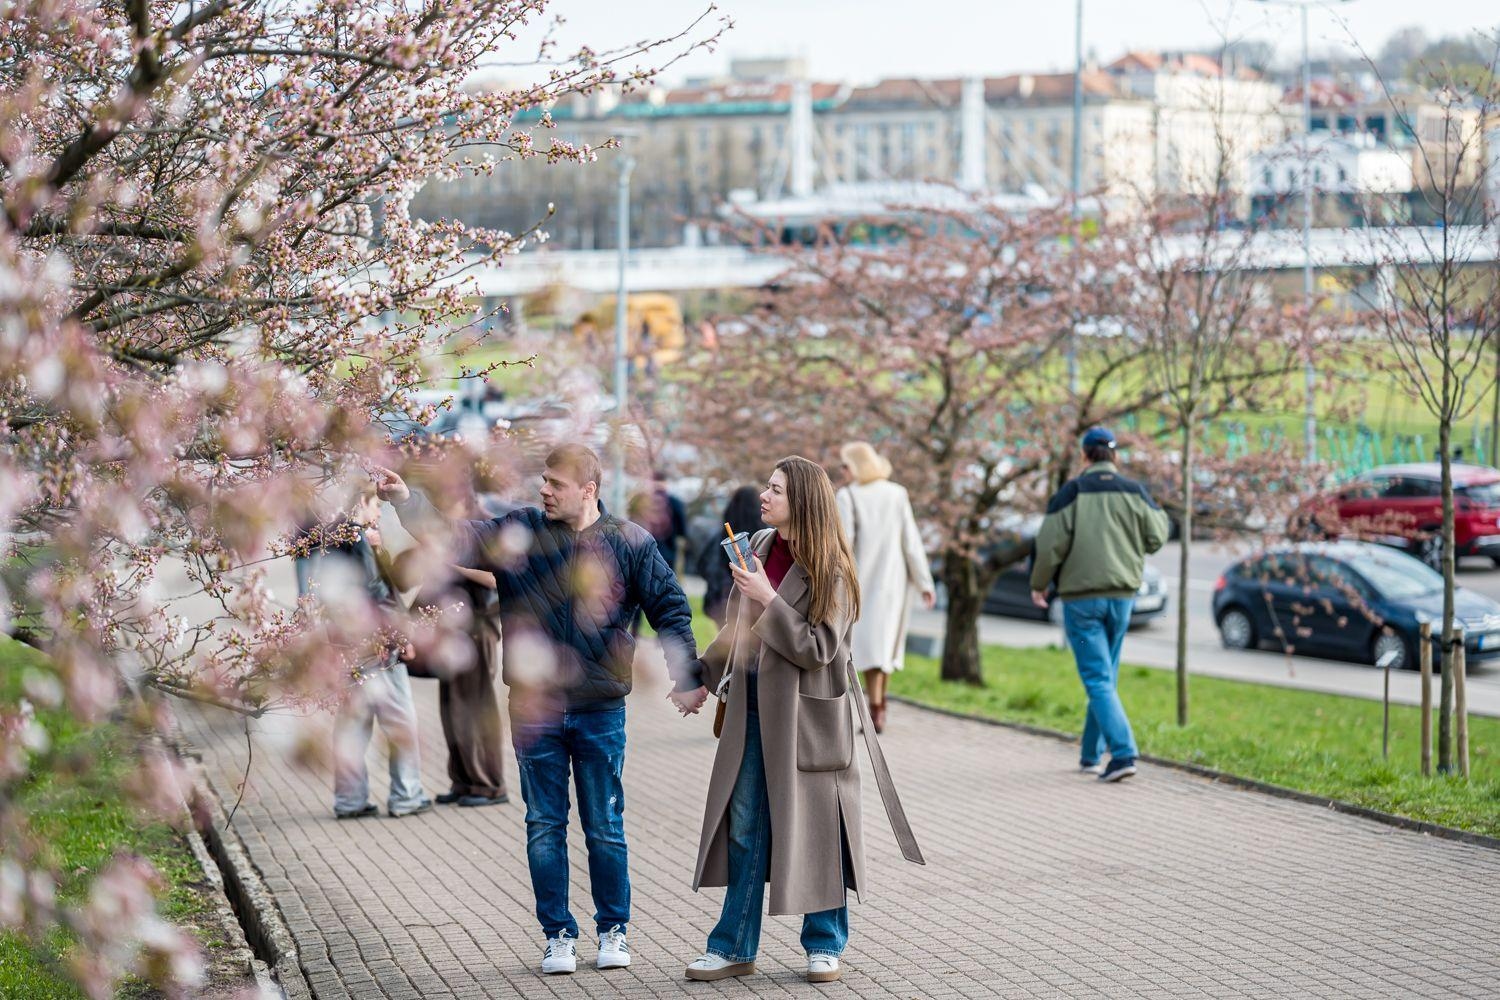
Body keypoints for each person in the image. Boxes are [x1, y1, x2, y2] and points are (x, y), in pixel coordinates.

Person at [372, 445, 707, 976]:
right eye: (542, 481)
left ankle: (613, 928)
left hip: (600, 709)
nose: (543, 491)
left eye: (555, 483)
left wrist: (686, 678)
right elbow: (457, 539)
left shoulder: (629, 542)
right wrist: (403, 500)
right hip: (534, 709)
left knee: (604, 824)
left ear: (588, 489)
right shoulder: (521, 533)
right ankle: (558, 936)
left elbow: (670, 607)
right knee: (544, 825)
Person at [683, 456, 924, 985]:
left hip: (808, 717)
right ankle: (733, 946)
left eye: (775, 490)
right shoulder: (761, 548)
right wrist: (702, 676)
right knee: (746, 827)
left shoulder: (832, 567)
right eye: (767, 486)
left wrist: (768, 599)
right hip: (752, 714)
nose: (763, 496)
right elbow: (737, 628)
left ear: (803, 503)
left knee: (821, 829)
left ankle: (824, 943)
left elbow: (819, 648)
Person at [1029, 428, 1170, 784]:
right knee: (1105, 675)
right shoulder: (1135, 491)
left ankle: (1122, 754)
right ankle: (1091, 755)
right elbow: (1157, 535)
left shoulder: (1071, 492)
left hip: (1081, 599)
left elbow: (1048, 545)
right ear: (1115, 457)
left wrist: (1038, 583)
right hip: (1123, 598)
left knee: (1096, 678)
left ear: (1084, 456)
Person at [302, 490, 433, 820]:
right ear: (360, 503)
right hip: (378, 645)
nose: (378, 512)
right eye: (375, 504)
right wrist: (401, 637)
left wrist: (375, 549)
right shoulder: (358, 538)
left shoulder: (330, 539)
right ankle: (407, 794)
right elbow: (378, 593)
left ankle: (350, 799)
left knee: (352, 724)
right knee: (399, 719)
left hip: (344, 646)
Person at [835, 442, 935, 734]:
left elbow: (845, 544)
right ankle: (879, 707)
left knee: (869, 649)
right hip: (894, 583)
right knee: (884, 648)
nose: (842, 472)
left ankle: (874, 709)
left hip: (862, 582)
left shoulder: (848, 495)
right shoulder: (897, 493)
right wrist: (925, 582)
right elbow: (912, 542)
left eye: (845, 465)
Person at [693, 485, 767, 627]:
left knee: (726, 645)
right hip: (749, 603)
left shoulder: (719, 537)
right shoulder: (764, 538)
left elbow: (702, 565)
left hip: (722, 601)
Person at [632, 470, 688, 574]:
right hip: (668, 551)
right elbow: (682, 529)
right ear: (665, 482)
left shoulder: (640, 501)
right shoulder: (675, 502)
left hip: (644, 550)